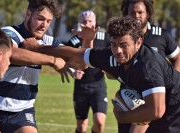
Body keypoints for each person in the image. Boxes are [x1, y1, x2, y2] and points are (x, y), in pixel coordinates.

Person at [31, 16, 180, 133]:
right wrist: (38, 48)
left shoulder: (148, 66)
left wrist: (122, 116)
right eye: (114, 44)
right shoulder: (110, 56)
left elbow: (156, 110)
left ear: (139, 42)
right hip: (155, 109)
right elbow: (76, 54)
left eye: (123, 45)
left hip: (174, 114)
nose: (118, 51)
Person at [0, 0, 72, 133]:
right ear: (28, 14)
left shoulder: (47, 41)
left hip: (22, 112)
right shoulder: (9, 32)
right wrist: (52, 60)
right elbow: (11, 54)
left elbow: (76, 59)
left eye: (48, 21)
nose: (44, 25)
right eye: (40, 19)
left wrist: (88, 41)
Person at [117, 0, 180, 132]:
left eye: (140, 12)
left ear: (148, 14)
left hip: (153, 98)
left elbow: (178, 56)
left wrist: (174, 81)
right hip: (129, 98)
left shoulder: (161, 35)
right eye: (132, 12)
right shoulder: (119, 39)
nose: (136, 16)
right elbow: (111, 69)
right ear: (125, 14)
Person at [65, 10, 110, 133]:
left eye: (90, 21)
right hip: (81, 86)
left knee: (100, 122)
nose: (87, 24)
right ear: (80, 23)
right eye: (84, 21)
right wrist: (74, 71)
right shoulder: (74, 41)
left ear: (95, 23)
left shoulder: (104, 37)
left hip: (98, 85)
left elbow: (113, 54)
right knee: (81, 126)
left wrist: (108, 67)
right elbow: (65, 61)